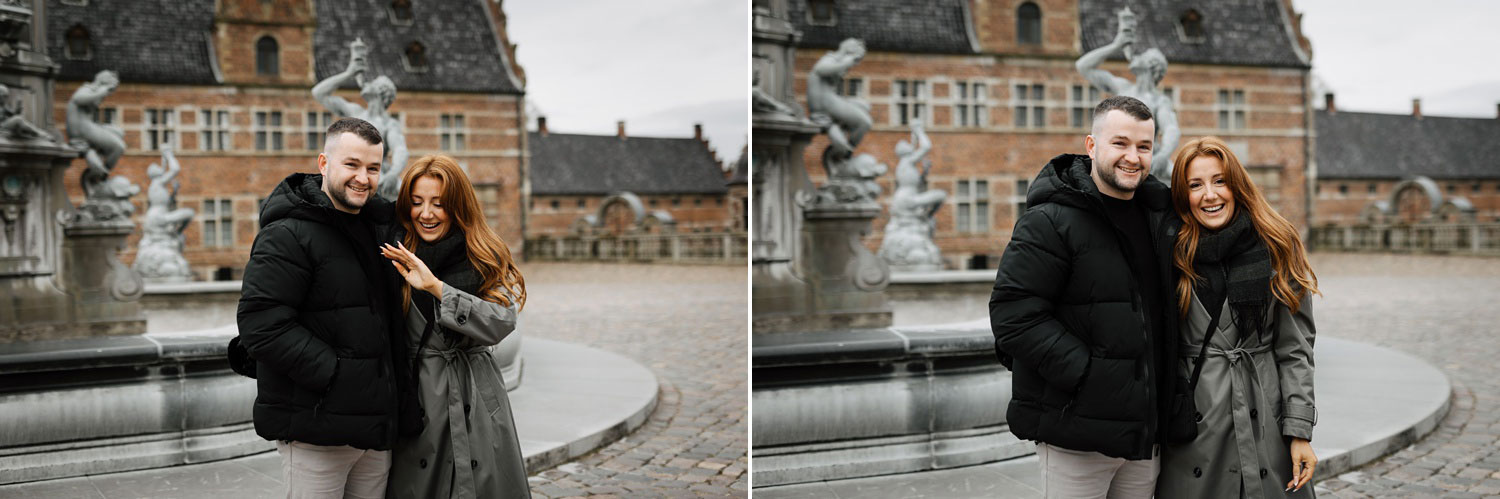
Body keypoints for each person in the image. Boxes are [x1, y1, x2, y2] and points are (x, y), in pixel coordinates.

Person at [989, 95, 1178, 498]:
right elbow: (1014, 316)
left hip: (1145, 439)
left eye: (1144, 146)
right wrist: (1087, 376)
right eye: (1120, 143)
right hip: (1076, 435)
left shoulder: (1160, 217)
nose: (1133, 157)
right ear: (1091, 146)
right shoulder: (1049, 221)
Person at [237, 117, 400, 499]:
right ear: (324, 163)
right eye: (352, 164)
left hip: (375, 433)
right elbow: (262, 326)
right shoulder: (286, 234)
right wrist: (336, 376)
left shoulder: (378, 228)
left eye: (373, 168)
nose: (363, 177)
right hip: (316, 432)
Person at [1155, 136, 1319, 498]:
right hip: (1196, 428)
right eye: (1195, 185)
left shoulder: (1276, 244)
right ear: (1183, 196)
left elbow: (1295, 350)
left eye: (1219, 180)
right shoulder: (1169, 250)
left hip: (1266, 422)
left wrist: (1299, 431)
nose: (1209, 195)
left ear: (1237, 185)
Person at [378, 155, 530, 498]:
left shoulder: (483, 252)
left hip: (476, 395)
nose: (426, 214)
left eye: (439, 204)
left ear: (458, 206)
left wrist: (437, 288)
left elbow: (502, 321)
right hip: (419, 398)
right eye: (416, 202)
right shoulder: (394, 252)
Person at [1077, 7, 1180, 181]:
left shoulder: (1159, 101)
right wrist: (1116, 45)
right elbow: (1083, 66)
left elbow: (1171, 129)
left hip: (1147, 161)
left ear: (1151, 66)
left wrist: (1163, 155)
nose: (1134, 57)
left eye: (1141, 56)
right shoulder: (1122, 87)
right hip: (1118, 156)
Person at [313, 39, 409, 200]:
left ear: (380, 92)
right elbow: (318, 93)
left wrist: (393, 174)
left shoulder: (388, 124)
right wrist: (348, 73)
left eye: (371, 83)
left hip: (377, 179)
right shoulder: (355, 111)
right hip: (350, 174)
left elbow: (401, 150)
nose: (365, 83)